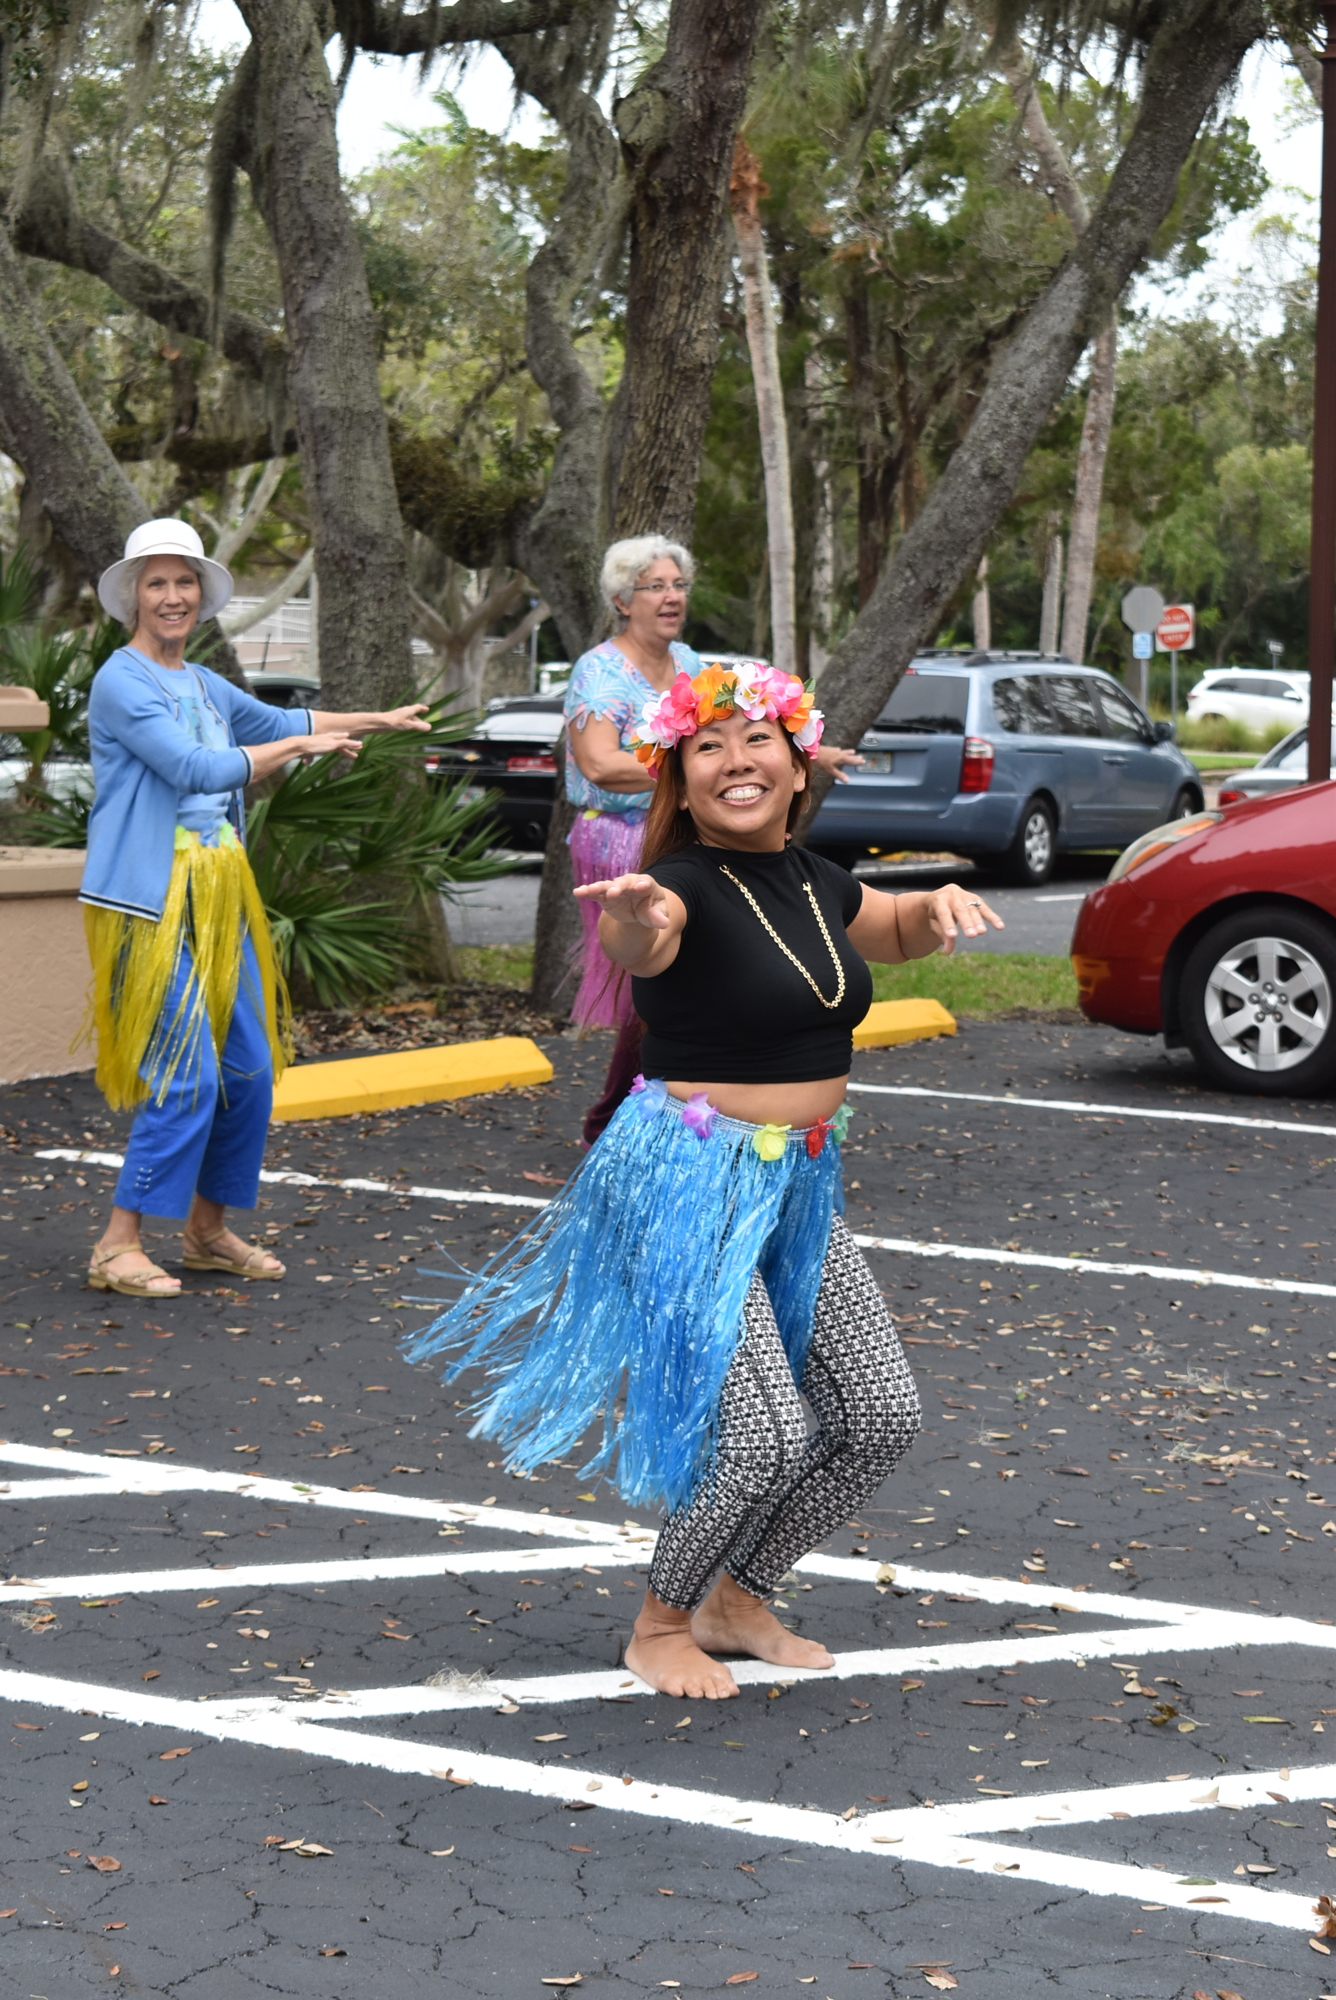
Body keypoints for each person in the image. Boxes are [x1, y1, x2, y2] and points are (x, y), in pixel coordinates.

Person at [407, 658, 1003, 1699]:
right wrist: (632, 914)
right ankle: (660, 1620)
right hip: (685, 1181)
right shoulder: (673, 885)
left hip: (794, 1184)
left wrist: (937, 903)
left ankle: (741, 1593)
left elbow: (892, 929)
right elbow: (642, 942)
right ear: (677, 778)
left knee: (877, 1413)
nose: (735, 759)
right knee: (764, 1429)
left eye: (754, 738)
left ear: (794, 757)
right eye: (707, 746)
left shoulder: (813, 882)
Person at [82, 517, 430, 1299]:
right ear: (134, 596)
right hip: (148, 899)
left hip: (220, 893)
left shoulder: (202, 683)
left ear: (201, 594)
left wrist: (373, 720)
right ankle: (117, 1242)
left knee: (247, 1069)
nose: (172, 596)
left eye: (183, 581)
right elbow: (198, 768)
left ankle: (206, 1232)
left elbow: (282, 723)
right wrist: (297, 752)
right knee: (185, 1077)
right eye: (156, 582)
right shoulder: (122, 680)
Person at [565, 535, 862, 1145]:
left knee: (713, 978)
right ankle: (622, 1124)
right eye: (655, 586)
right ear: (623, 600)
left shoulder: (693, 666)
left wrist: (798, 750)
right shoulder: (598, 670)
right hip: (623, 839)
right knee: (652, 985)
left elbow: (740, 727)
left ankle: (672, 1113)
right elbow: (596, 763)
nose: (671, 597)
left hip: (689, 825)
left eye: (678, 585)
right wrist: (693, 768)